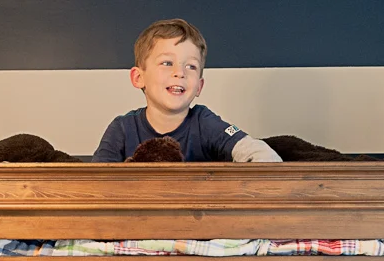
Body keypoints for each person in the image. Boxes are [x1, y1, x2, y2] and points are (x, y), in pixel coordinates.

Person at [91, 18, 281, 162]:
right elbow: (95, 183)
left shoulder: (205, 123)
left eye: (190, 66)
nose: (179, 73)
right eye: (167, 63)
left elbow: (259, 153)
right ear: (138, 78)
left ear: (199, 86)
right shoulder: (122, 129)